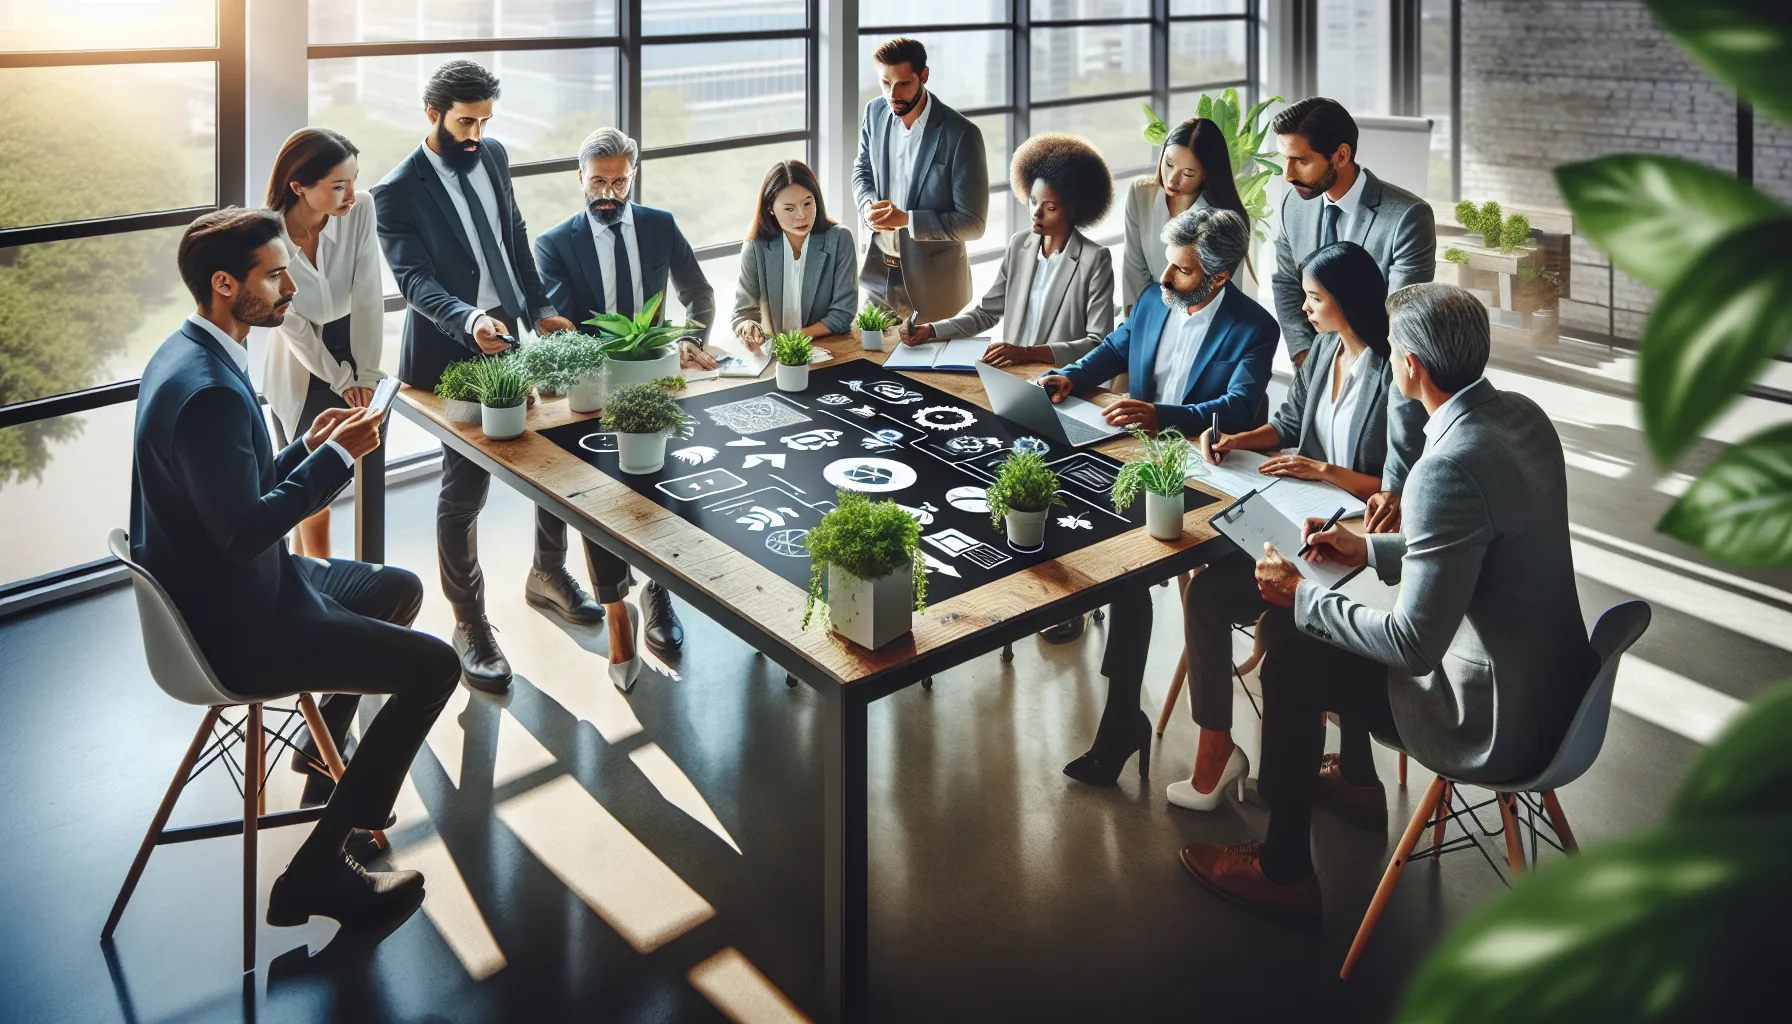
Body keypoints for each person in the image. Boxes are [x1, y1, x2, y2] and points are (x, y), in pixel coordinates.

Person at [1179, 283, 1598, 927]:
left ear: (1411, 367)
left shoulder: (1446, 465)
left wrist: (1302, 597)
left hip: (1492, 722)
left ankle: (1282, 872)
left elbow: (1413, 645)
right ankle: (1353, 784)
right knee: (1308, 639)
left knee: (1289, 651)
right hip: (1561, 692)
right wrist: (1368, 551)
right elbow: (1473, 545)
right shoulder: (1522, 417)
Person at [133, 207, 457, 930]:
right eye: (276, 276)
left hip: (236, 589)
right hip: (242, 624)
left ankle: (324, 756)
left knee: (397, 589)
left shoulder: (187, 353)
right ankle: (318, 867)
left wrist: (307, 448)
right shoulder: (213, 392)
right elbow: (246, 533)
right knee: (436, 668)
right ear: (225, 284)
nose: (291, 289)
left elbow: (228, 498)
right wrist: (340, 459)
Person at [1163, 241, 1425, 812]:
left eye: (1313, 298)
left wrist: (1322, 469)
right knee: (1210, 591)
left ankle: (1326, 775)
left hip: (1350, 541)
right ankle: (1265, 757)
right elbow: (1284, 424)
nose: (1303, 309)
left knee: (1236, 608)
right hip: (1298, 520)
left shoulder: (1394, 374)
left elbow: (1395, 487)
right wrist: (1235, 438)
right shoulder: (1323, 351)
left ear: (1347, 302)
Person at [1041, 207, 1279, 787]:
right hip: (1132, 457)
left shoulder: (1255, 327)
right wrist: (1072, 375)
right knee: (1060, 501)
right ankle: (1116, 701)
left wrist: (1160, 415)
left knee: (1127, 567)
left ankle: (1121, 717)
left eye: (1183, 273)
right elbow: (1117, 348)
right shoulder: (1155, 298)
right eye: (1169, 267)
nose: (1166, 280)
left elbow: (1242, 408)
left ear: (1219, 278)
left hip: (1203, 474)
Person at [371, 60, 588, 694]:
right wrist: (468, 321)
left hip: (511, 334)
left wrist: (541, 308)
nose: (476, 133)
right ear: (432, 114)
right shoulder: (397, 190)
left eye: (485, 120)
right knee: (464, 491)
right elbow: (414, 281)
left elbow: (513, 235)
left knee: (557, 460)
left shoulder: (492, 156)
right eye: (466, 121)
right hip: (452, 351)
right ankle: (470, 623)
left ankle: (547, 574)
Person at [534, 126, 719, 666]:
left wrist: (687, 339)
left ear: (633, 176)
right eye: (597, 183)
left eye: (619, 182)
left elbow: (699, 294)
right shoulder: (554, 243)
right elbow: (568, 329)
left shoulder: (660, 226)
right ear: (579, 180)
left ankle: (657, 590)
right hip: (593, 382)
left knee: (659, 482)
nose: (608, 195)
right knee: (596, 492)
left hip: (656, 375)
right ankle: (613, 601)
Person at [262, 127, 393, 800]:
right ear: (299, 187)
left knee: (356, 469)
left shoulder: (360, 210)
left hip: (353, 342)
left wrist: (365, 371)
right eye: (334, 184)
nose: (348, 194)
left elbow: (368, 289)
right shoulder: (269, 234)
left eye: (351, 179)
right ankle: (312, 595)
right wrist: (340, 377)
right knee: (308, 486)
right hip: (301, 358)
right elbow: (289, 323)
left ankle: (344, 595)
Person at [1271, 96, 1435, 533]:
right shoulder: (1294, 205)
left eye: (1300, 161)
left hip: (1383, 382)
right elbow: (1286, 284)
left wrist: (1396, 486)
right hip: (1328, 370)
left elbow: (1406, 338)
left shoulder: (1406, 218)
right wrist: (1308, 356)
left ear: (1341, 155)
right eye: (1285, 160)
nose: (1288, 175)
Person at [899, 131, 1116, 368]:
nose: (1036, 213)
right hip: (1013, 375)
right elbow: (986, 313)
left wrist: (1028, 353)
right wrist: (929, 330)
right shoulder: (1020, 245)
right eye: (1033, 201)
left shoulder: (1095, 260)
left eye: (1050, 207)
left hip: (1062, 379)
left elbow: (1098, 343)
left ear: (1075, 209)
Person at [853, 36, 989, 323]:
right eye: (885, 83)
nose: (893, 94)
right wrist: (867, 207)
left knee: (927, 369)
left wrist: (906, 220)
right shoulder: (874, 113)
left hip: (935, 287)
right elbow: (862, 170)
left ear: (924, 76)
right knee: (872, 362)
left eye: (903, 83)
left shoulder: (961, 135)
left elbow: (973, 224)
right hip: (878, 274)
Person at [1123, 116, 1248, 313]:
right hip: (1150, 313)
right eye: (1169, 164)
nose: (1172, 180)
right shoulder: (1141, 194)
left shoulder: (1224, 217)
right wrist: (1136, 323)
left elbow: (1226, 294)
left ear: (1207, 174)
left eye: (1188, 173)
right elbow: (1134, 270)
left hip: (1199, 316)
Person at [729, 159, 857, 349]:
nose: (801, 215)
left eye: (807, 203)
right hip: (773, 356)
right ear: (770, 208)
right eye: (789, 208)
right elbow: (742, 314)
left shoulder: (839, 239)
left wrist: (792, 339)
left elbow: (842, 315)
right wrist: (748, 327)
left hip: (828, 350)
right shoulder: (755, 247)